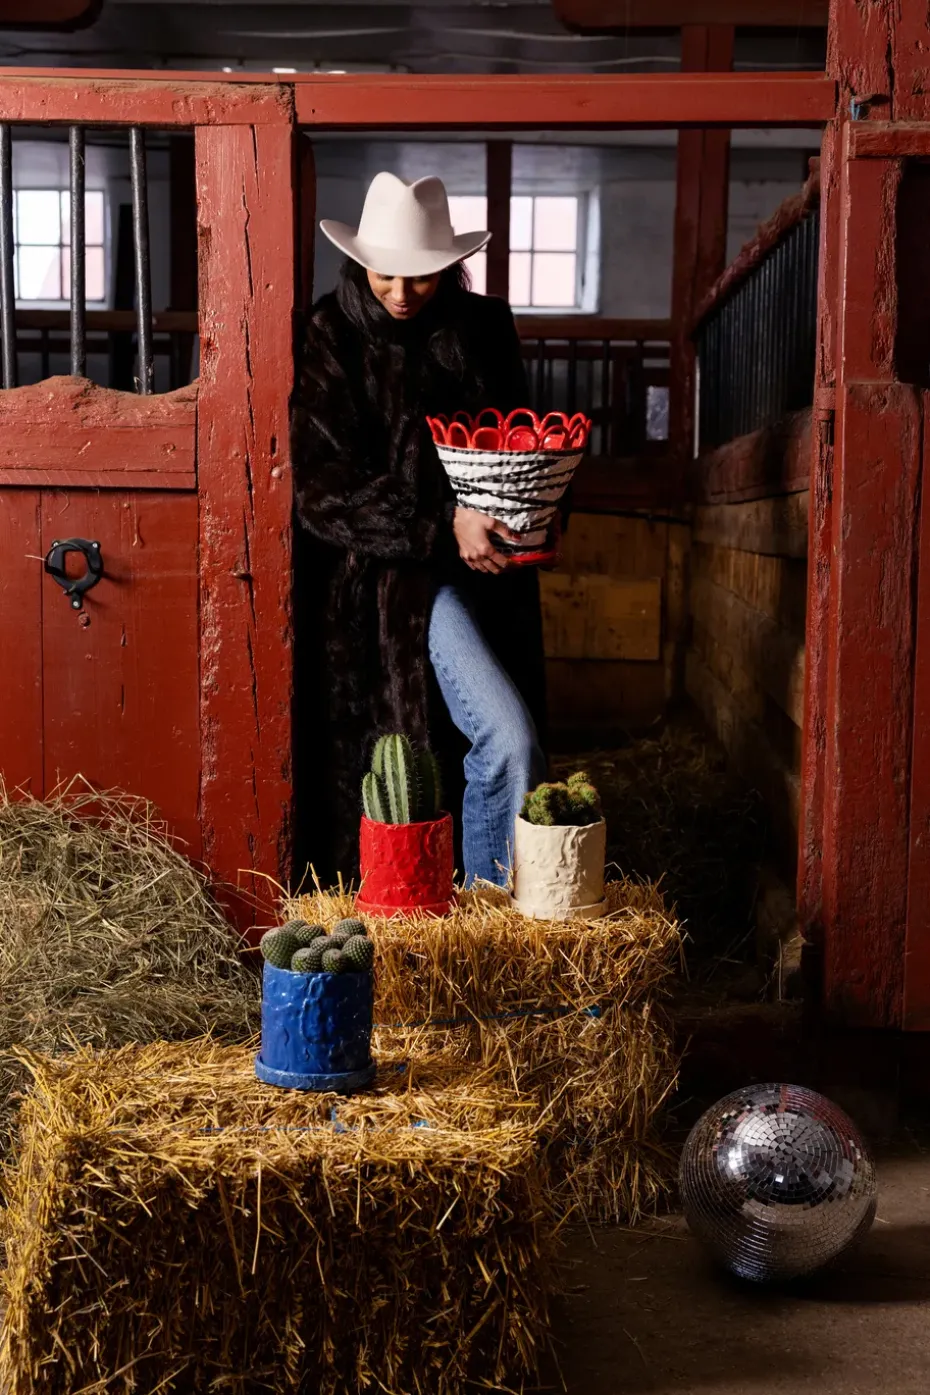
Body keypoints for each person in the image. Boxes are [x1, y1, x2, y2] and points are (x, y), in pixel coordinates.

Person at [291, 171, 552, 886]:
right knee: (501, 737)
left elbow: (518, 443)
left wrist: (527, 511)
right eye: (386, 275)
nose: (402, 293)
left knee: (500, 744)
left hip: (491, 575)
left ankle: (483, 911)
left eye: (422, 276)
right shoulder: (332, 333)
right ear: (360, 263)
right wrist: (440, 524)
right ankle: (481, 908)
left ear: (448, 268)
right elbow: (318, 488)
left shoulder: (484, 330)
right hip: (396, 588)